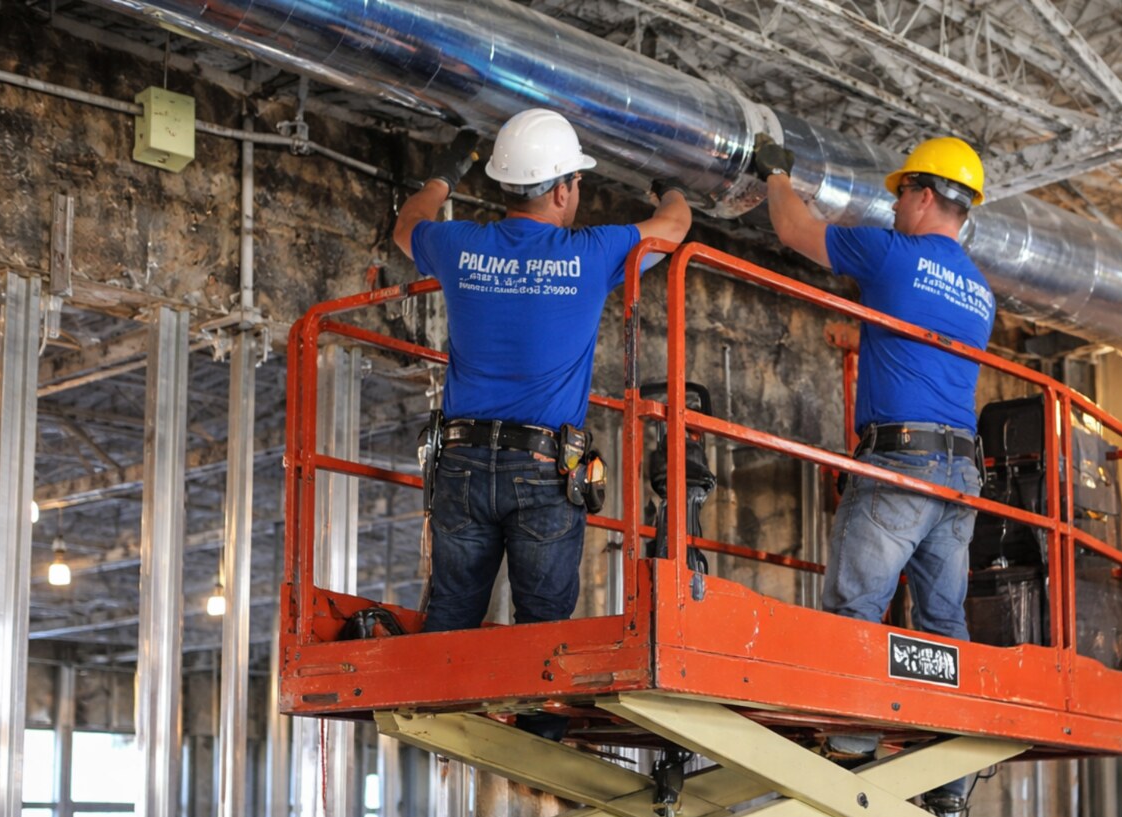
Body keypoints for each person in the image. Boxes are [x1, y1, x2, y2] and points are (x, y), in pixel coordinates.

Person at [394, 108, 692, 633]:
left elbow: (407, 225)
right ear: (560, 191)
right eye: (577, 180)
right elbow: (675, 224)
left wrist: (444, 175)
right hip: (542, 468)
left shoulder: (459, 246)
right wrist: (666, 183)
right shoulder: (590, 255)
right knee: (543, 631)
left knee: (450, 617)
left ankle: (432, 716)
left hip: (460, 463)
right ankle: (538, 718)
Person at [754, 134, 995, 642]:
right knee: (945, 627)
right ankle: (950, 724)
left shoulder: (891, 254)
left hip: (902, 466)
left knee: (854, 618)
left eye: (901, 192)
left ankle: (852, 728)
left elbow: (793, 228)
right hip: (960, 477)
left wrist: (774, 173)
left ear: (924, 196)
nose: (893, 203)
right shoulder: (981, 293)